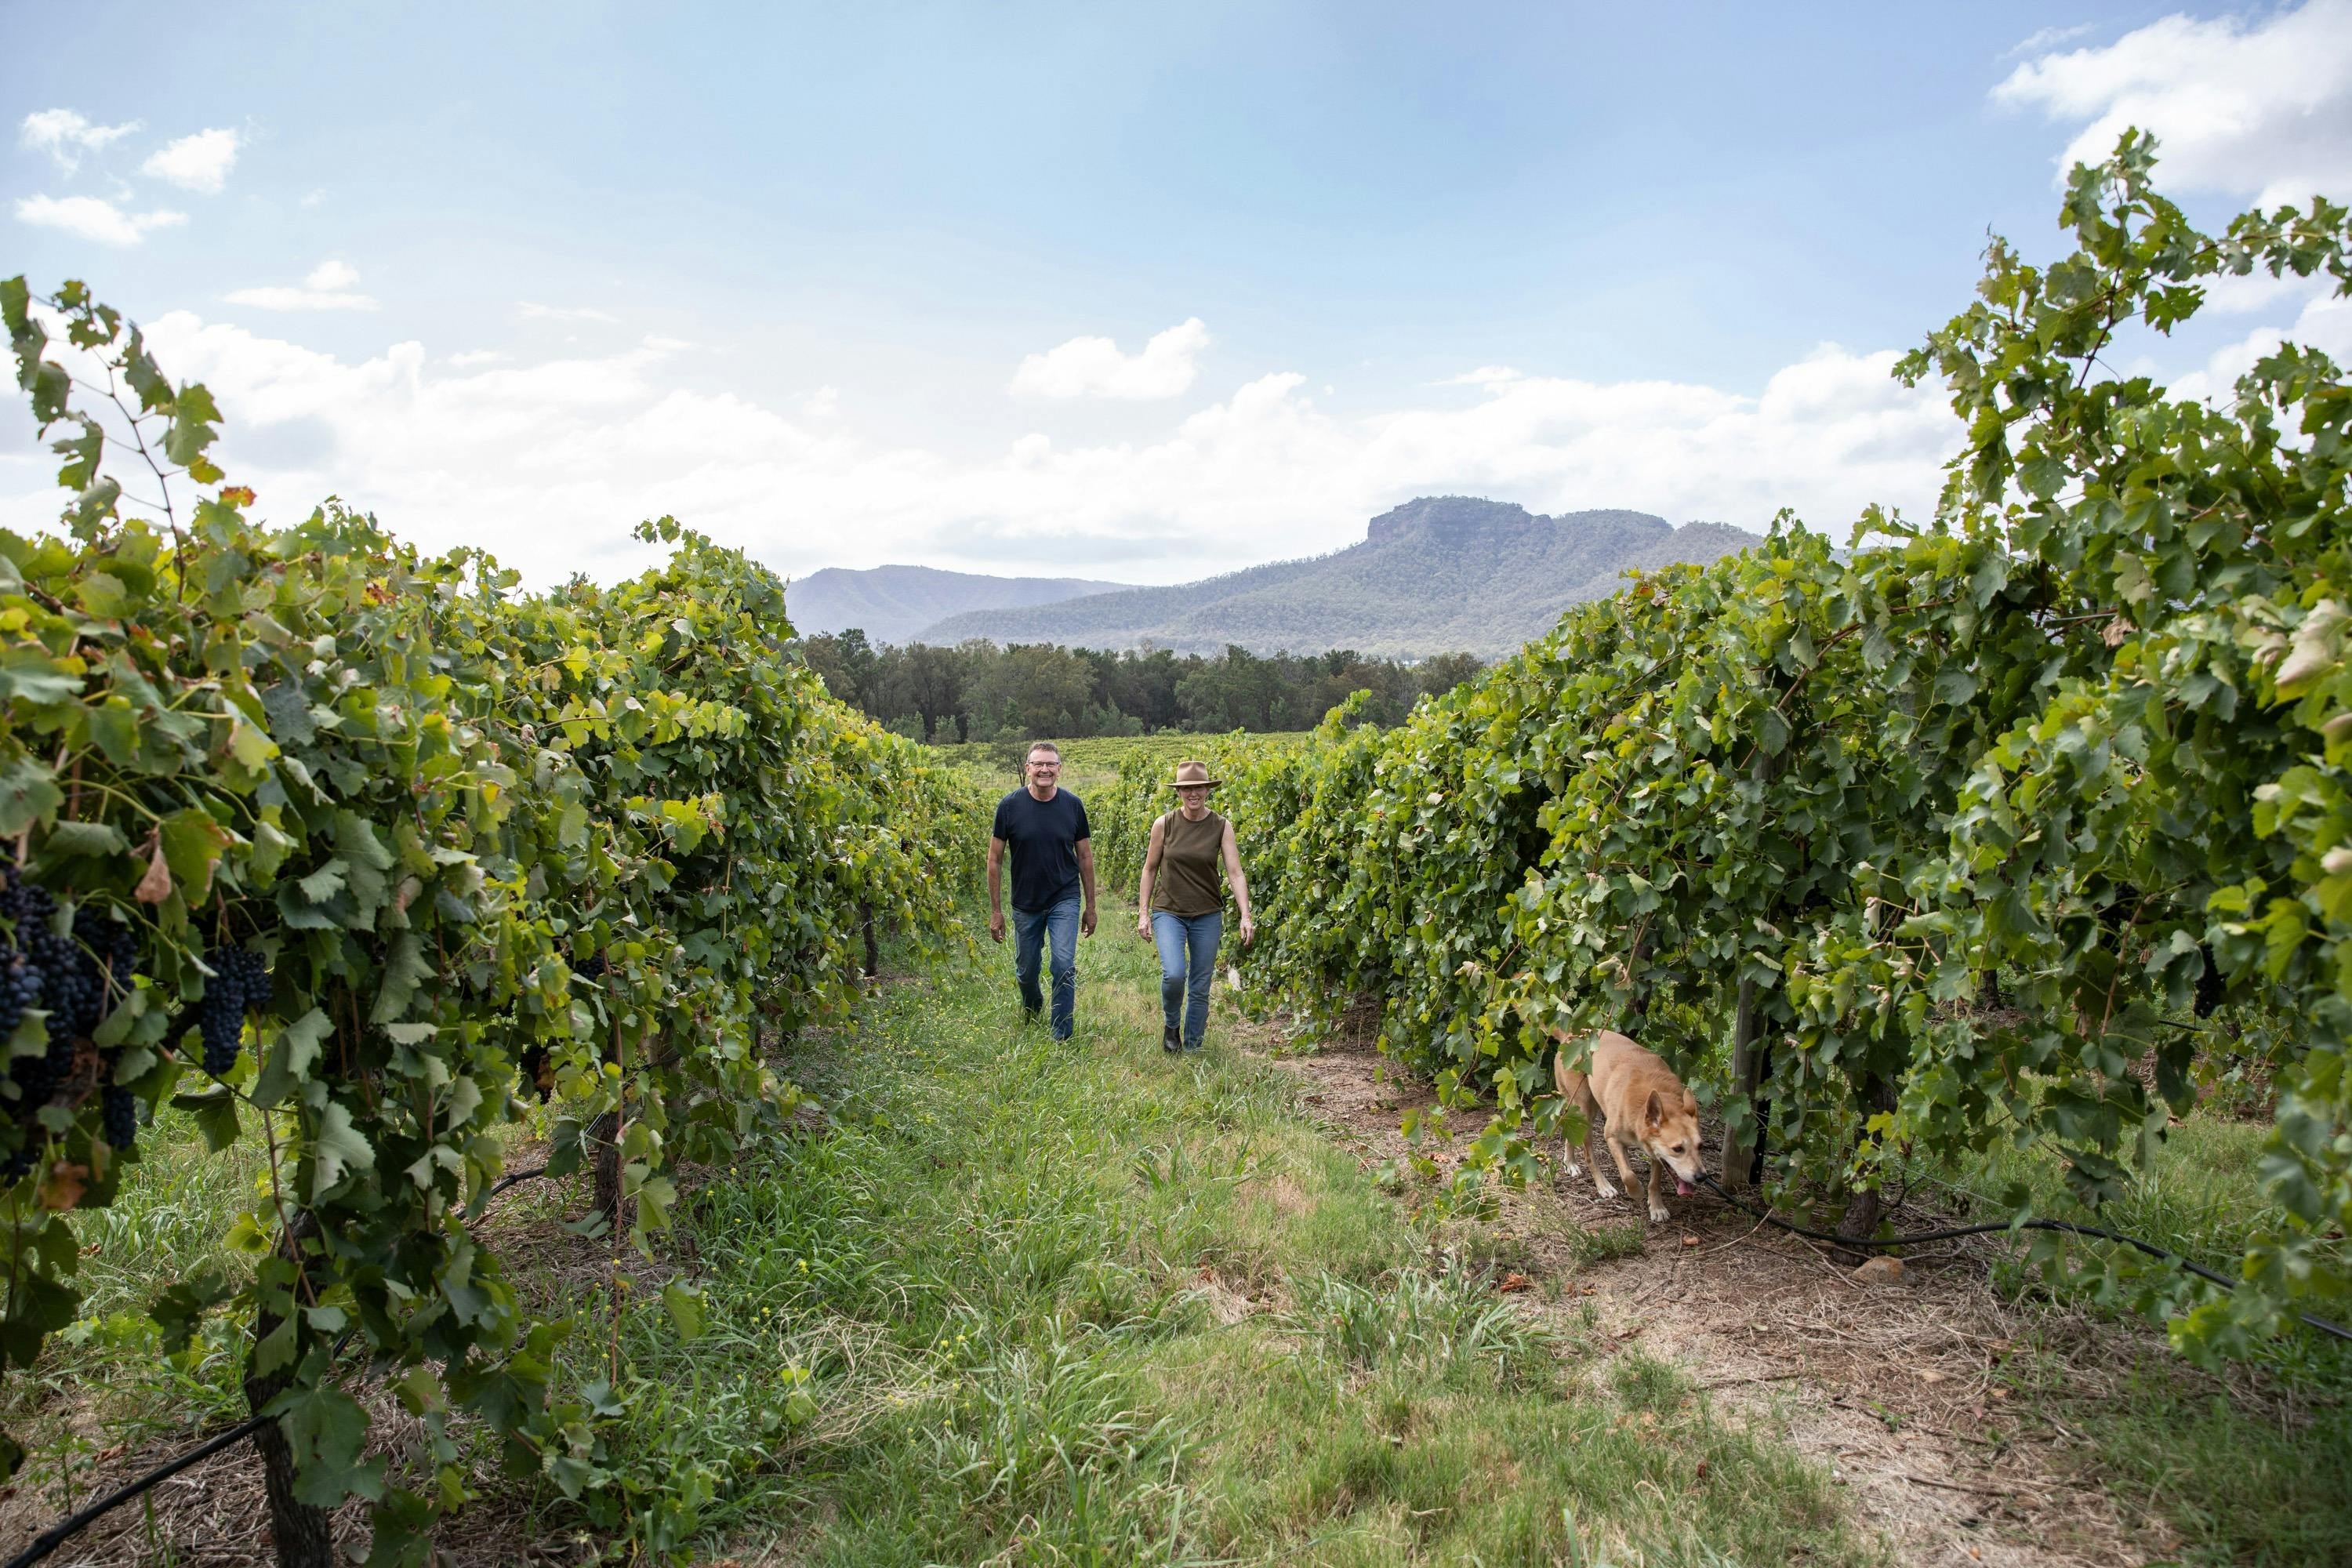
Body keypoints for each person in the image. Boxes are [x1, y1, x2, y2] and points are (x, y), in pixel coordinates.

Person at [1134, 759, 1254, 1053]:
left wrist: (1245, 915)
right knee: (1175, 974)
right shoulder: (1164, 824)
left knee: (1200, 984)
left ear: (1207, 790)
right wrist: (1143, 913)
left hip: (1207, 914)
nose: (1193, 793)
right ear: (1178, 792)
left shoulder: (1221, 826)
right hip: (1169, 912)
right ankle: (1171, 1026)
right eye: (1187, 788)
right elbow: (1149, 869)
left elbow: (1235, 873)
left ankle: (1193, 1046)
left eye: (1198, 787)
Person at [988, 741, 1096, 1040]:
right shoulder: (1009, 807)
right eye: (1038, 764)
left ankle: (1061, 1034)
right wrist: (996, 911)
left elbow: (1085, 857)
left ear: (1060, 769)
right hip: (1026, 902)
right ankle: (1033, 1005)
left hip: (1065, 897)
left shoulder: (1073, 806)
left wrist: (1091, 906)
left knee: (1063, 964)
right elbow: (994, 859)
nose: (1044, 769)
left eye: (1050, 764)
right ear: (1028, 769)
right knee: (1026, 971)